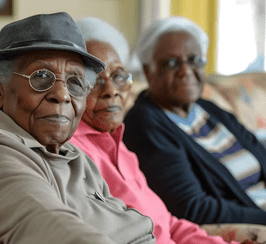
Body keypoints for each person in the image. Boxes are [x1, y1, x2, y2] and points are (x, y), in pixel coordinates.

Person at [0, 12, 156, 244]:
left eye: (75, 81)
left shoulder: (77, 158)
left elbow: (127, 224)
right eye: (41, 76)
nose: (62, 95)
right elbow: (52, 230)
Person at [69, 16, 243, 244]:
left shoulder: (118, 142)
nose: (111, 90)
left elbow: (166, 223)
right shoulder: (71, 152)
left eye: (118, 76)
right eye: (94, 79)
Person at [123, 16, 266, 225]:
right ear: (148, 72)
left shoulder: (208, 109)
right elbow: (192, 207)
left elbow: (259, 152)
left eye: (194, 60)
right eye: (172, 63)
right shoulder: (145, 123)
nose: (186, 71)